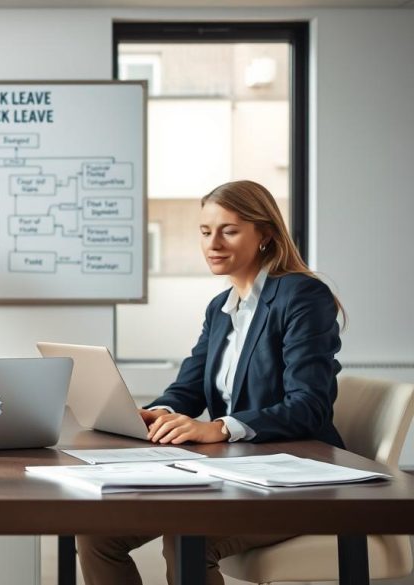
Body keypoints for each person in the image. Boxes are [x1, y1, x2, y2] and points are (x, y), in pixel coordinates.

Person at [77, 179, 345, 585]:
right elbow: (189, 388)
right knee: (99, 535)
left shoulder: (302, 296)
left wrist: (218, 427)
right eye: (205, 231)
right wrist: (157, 413)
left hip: (297, 476)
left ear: (265, 235)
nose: (213, 243)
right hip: (234, 472)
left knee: (188, 538)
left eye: (229, 230)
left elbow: (309, 405)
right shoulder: (220, 308)